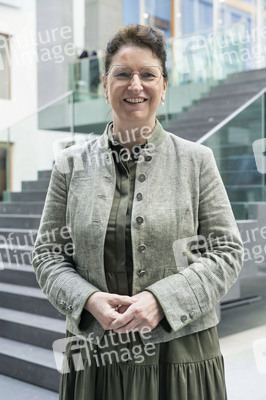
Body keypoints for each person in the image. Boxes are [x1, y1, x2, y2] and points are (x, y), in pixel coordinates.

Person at [32, 24, 243, 400]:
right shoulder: (69, 164)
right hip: (95, 354)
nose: (135, 85)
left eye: (148, 74)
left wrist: (163, 300)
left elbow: (227, 251)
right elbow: (48, 254)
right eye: (123, 74)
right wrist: (87, 300)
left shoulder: (197, 161)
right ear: (104, 85)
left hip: (179, 353)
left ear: (164, 87)